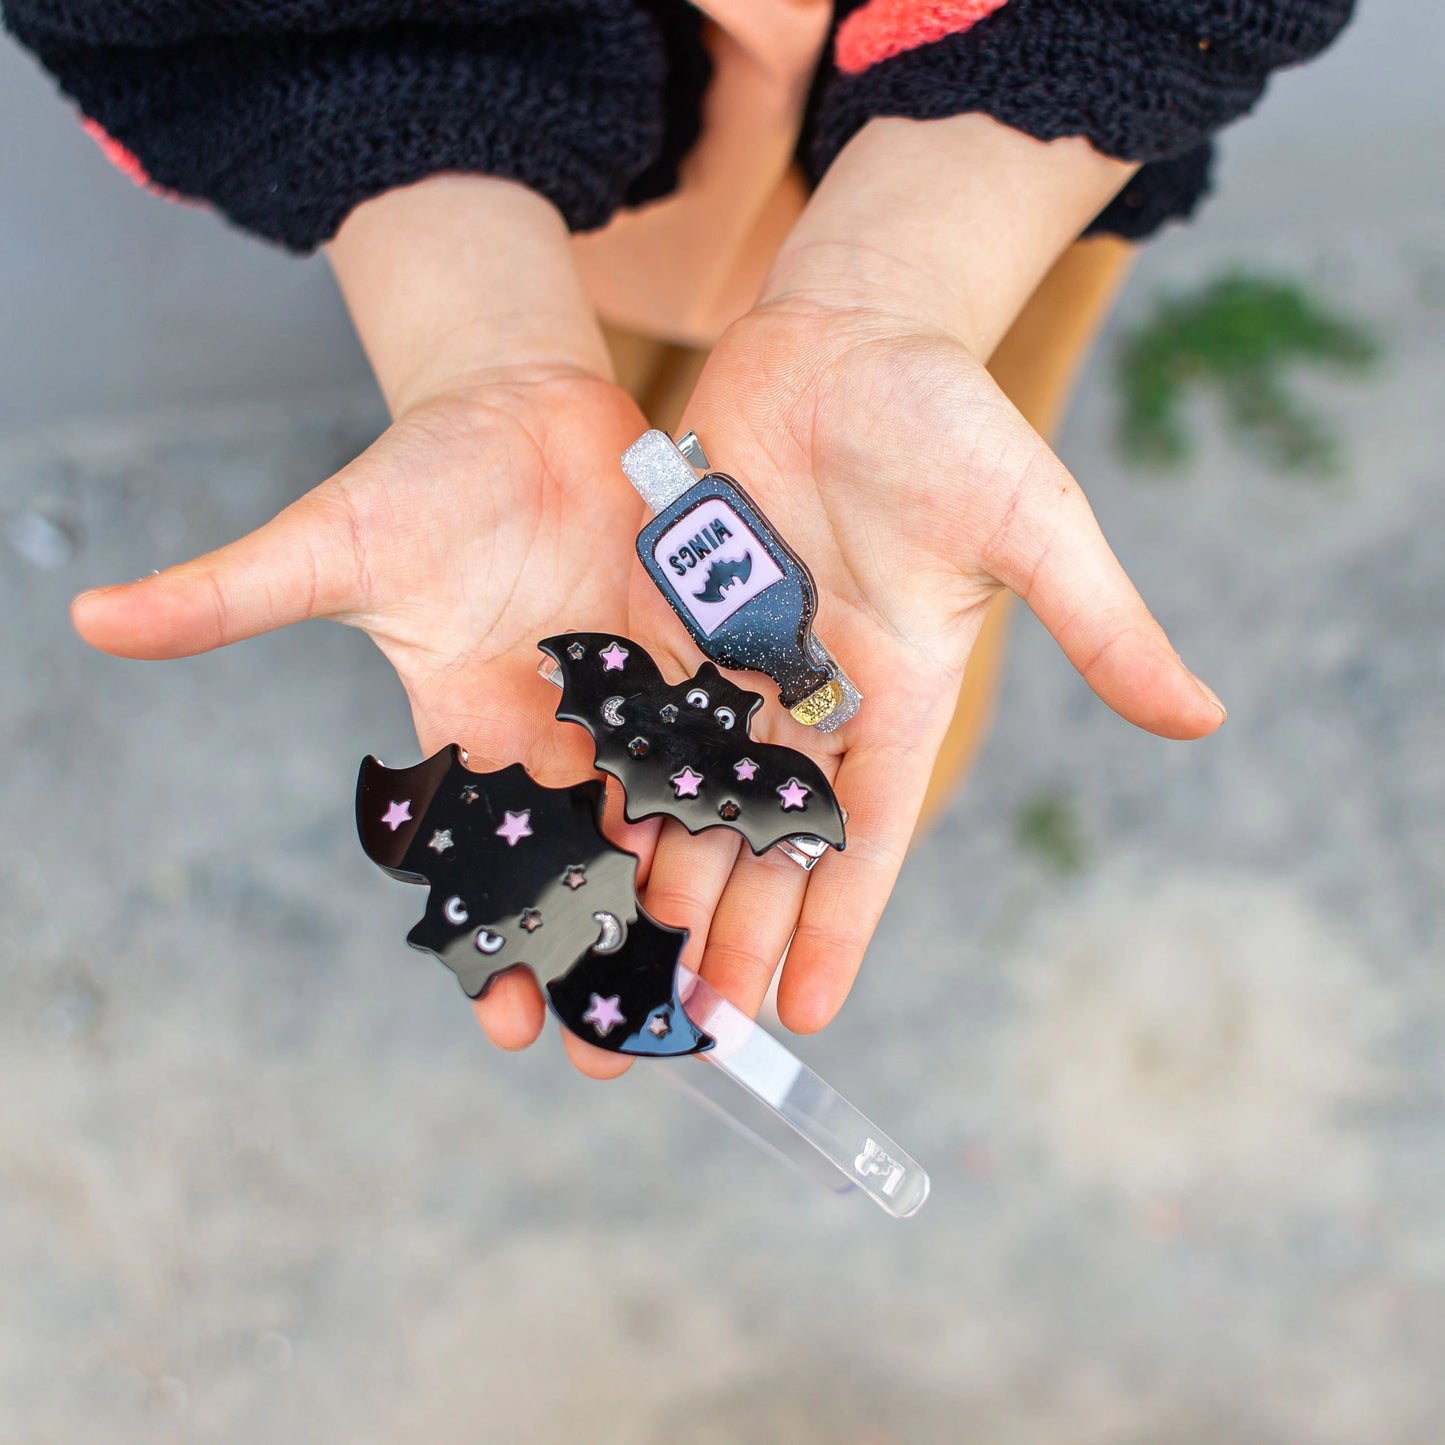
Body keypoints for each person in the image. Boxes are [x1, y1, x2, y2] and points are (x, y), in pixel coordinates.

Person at [5, 0, 1353, 1076]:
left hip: (1000, 173)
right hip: (557, 183)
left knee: (890, 692)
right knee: (596, 457)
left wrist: (902, 283)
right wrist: (480, 334)